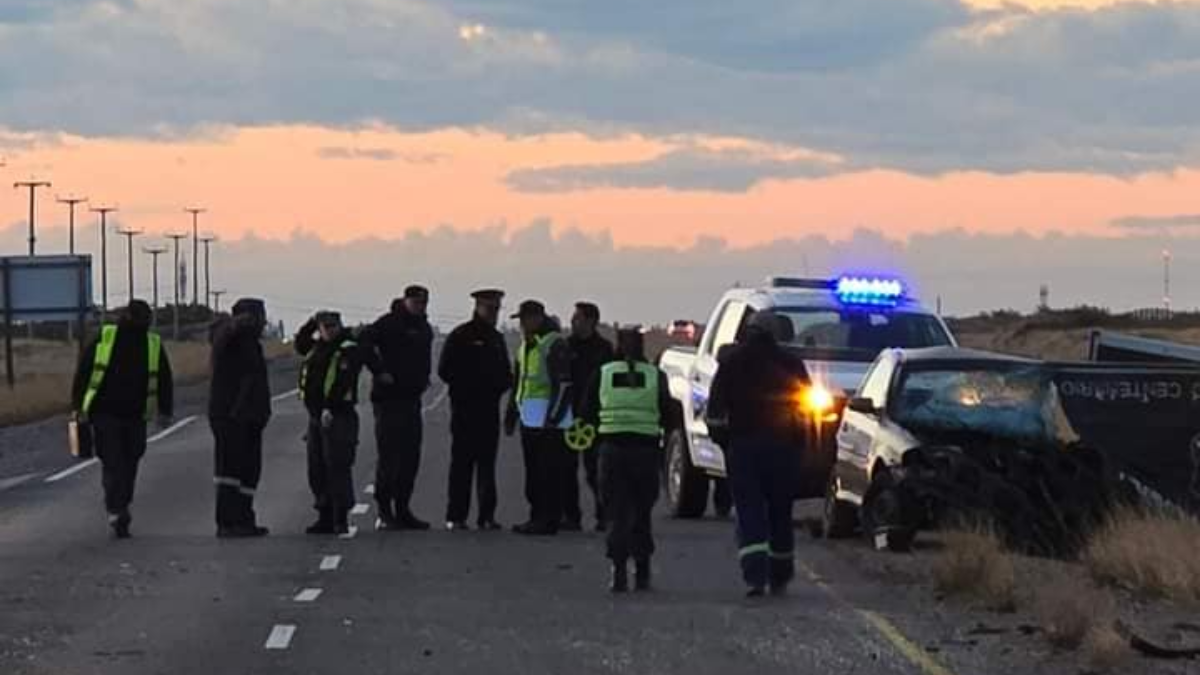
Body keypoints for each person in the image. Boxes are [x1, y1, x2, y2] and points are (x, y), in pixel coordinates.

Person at [706, 310, 810, 597]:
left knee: (750, 511)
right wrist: (800, 445)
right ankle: (781, 575)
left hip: (743, 448)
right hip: (783, 449)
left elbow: (714, 412)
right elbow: (805, 412)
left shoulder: (731, 363)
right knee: (780, 511)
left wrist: (725, 442)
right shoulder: (792, 364)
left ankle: (755, 576)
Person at [71, 300, 174, 539]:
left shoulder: (152, 343)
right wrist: (78, 406)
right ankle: (116, 510)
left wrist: (165, 411)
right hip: (104, 413)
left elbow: (164, 378)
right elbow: (84, 371)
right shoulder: (106, 337)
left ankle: (122, 504)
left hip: (137, 415)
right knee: (113, 461)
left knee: (131, 459)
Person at [581, 327, 671, 593]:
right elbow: (669, 414)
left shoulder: (603, 374)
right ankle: (642, 570)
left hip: (612, 452)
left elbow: (587, 413)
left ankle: (618, 569)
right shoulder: (656, 376)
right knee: (641, 513)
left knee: (616, 514)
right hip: (645, 453)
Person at [437, 289, 512, 531]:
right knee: (462, 465)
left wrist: (495, 388)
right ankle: (456, 515)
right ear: (478, 307)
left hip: (488, 409)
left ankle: (487, 516)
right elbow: (445, 370)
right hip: (465, 410)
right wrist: (468, 385)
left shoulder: (496, 339)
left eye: (496, 309)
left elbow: (505, 374)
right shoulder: (461, 335)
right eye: (490, 309)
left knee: (487, 466)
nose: (493, 313)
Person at [360, 286, 434, 531]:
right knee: (390, 456)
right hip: (389, 400)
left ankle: (403, 508)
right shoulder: (389, 323)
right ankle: (384, 510)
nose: (420, 306)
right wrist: (379, 371)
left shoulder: (423, 327)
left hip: (412, 399)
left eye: (423, 303)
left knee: (410, 457)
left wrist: (423, 379)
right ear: (405, 301)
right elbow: (364, 342)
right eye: (415, 302)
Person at [506, 300, 573, 536]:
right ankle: (536, 516)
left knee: (548, 474)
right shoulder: (527, 346)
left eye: (525, 319)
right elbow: (519, 383)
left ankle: (548, 519)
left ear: (537, 318)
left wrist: (552, 419)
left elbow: (563, 385)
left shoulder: (553, 344)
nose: (522, 325)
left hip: (549, 424)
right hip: (530, 420)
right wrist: (511, 413)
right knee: (534, 473)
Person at [295, 311, 365, 535]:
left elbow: (343, 381)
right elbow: (300, 343)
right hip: (316, 416)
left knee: (337, 465)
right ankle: (324, 515)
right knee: (317, 468)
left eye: (333, 326)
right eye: (324, 326)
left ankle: (340, 517)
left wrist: (329, 407)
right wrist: (310, 322)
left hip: (338, 414)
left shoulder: (347, 348)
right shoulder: (316, 348)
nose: (329, 330)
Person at [209, 298, 272, 538]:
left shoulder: (252, 343)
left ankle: (245, 518)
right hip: (229, 415)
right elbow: (220, 337)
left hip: (252, 416)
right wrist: (236, 324)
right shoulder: (227, 336)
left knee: (249, 471)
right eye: (259, 317)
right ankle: (227, 522)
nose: (263, 322)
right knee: (229, 471)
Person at [564, 301, 614, 532]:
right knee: (565, 470)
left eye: (578, 318)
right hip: (568, 415)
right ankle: (571, 516)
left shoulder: (604, 350)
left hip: (596, 418)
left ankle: (604, 514)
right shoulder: (567, 346)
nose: (573, 322)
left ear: (591, 321)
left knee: (596, 471)